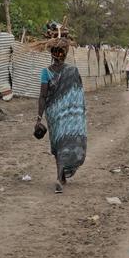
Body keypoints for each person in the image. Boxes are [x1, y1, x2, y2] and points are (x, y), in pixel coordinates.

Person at [36, 38, 87, 194]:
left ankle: (61, 176)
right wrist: (79, 112)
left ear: (52, 54)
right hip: (70, 114)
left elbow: (43, 96)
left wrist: (38, 117)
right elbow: (78, 94)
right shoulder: (73, 71)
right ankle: (60, 177)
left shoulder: (46, 72)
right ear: (65, 54)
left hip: (53, 114)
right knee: (68, 142)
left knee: (59, 143)